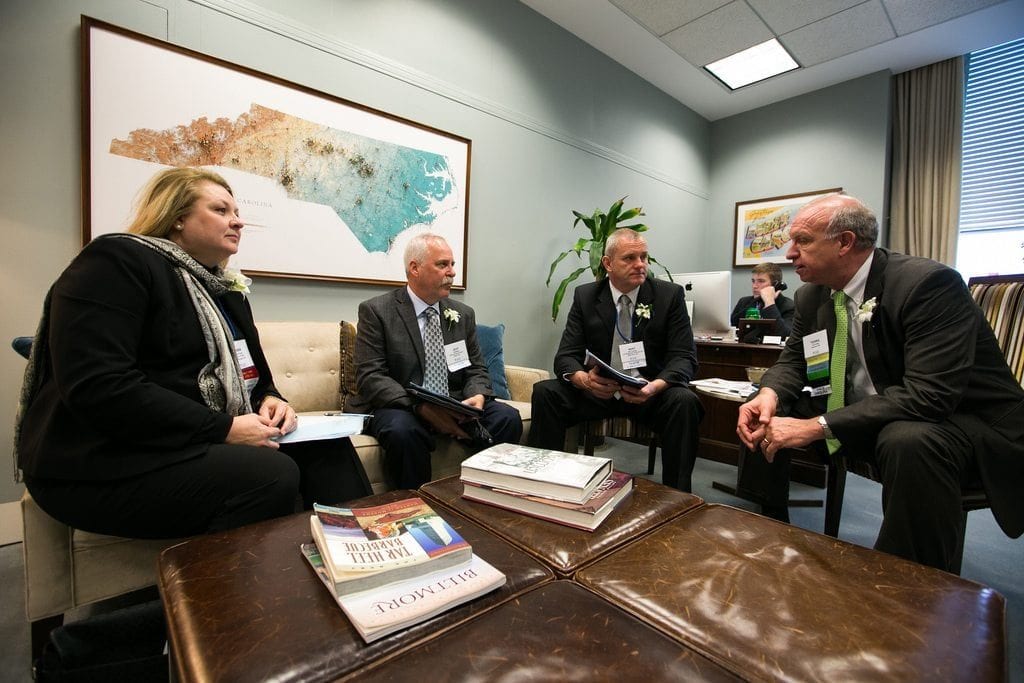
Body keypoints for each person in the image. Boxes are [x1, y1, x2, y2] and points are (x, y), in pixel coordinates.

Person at [15, 167, 371, 540]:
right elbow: (100, 385)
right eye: (221, 210)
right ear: (177, 217)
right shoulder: (117, 261)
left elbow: (257, 380)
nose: (238, 222)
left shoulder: (226, 292)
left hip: (187, 440)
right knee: (269, 474)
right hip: (105, 459)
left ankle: (364, 555)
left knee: (327, 446)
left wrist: (271, 400)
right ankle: (232, 592)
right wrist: (225, 429)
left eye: (237, 212)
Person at [735, 193, 1024, 572]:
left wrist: (815, 426)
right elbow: (794, 361)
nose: (789, 253)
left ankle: (906, 580)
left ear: (845, 243)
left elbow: (929, 396)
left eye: (802, 240)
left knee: (908, 439)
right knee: (765, 408)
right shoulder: (811, 296)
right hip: (871, 410)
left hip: (965, 423)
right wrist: (769, 393)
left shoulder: (928, 285)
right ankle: (770, 529)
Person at [528, 229, 704, 492]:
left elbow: (685, 357)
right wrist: (584, 380)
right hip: (598, 393)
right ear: (607, 263)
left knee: (685, 402)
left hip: (649, 395)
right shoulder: (585, 296)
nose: (640, 264)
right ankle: (543, 485)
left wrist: (654, 386)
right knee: (546, 393)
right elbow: (566, 355)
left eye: (644, 257)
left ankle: (677, 496)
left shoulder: (669, 296)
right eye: (630, 258)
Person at [349, 233, 523, 489]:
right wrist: (422, 407)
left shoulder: (462, 314)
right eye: (443, 265)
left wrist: (477, 395)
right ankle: (414, 510)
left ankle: (483, 496)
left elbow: (476, 368)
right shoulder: (377, 311)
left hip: (454, 402)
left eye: (452, 264)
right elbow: (370, 377)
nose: (452, 272)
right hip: (400, 405)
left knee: (507, 418)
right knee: (403, 433)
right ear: (415, 268)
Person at [729, 262, 794, 340]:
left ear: (775, 285)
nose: (754, 286)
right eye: (753, 281)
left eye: (761, 281)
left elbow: (785, 335)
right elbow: (731, 328)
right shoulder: (744, 302)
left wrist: (769, 303)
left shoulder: (789, 306)